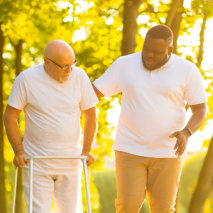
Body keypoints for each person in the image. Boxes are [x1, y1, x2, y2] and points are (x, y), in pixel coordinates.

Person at [93, 25, 207, 213]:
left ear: (170, 50)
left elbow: (200, 109)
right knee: (126, 207)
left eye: (156, 52)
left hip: (167, 154)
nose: (149, 55)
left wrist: (186, 132)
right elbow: (93, 93)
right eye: (146, 49)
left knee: (163, 209)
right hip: (130, 150)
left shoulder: (187, 70)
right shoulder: (125, 65)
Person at [3, 40, 98, 213]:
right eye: (64, 66)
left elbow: (91, 114)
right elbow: (10, 116)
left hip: (71, 162)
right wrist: (18, 151)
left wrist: (87, 149)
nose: (70, 70)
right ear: (47, 62)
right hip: (37, 163)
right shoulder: (26, 79)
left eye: (72, 64)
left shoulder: (80, 77)